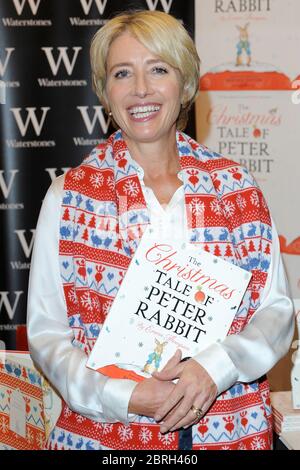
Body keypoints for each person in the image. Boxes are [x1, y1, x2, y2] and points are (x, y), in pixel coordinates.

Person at [27, 10, 294, 451]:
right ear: (105, 92)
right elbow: (46, 334)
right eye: (122, 73)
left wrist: (216, 366)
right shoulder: (68, 198)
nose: (141, 90)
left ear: (185, 84)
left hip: (229, 428)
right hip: (108, 437)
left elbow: (277, 311)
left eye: (158, 69)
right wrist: (123, 395)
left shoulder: (236, 188)